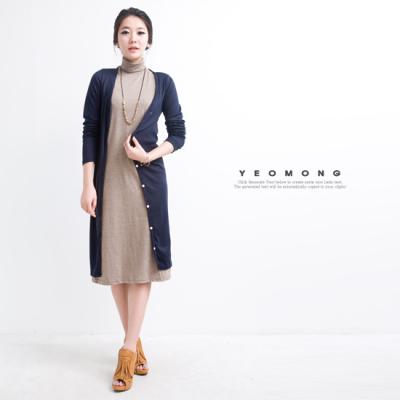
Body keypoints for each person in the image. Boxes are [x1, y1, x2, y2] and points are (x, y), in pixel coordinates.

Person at [80, 7, 186, 392]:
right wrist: (88, 185)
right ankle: (135, 340)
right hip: (109, 184)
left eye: (140, 32)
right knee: (116, 263)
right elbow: (91, 132)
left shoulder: (164, 83)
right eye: (125, 32)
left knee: (141, 266)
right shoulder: (101, 80)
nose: (133, 38)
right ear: (116, 39)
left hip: (147, 186)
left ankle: (126, 350)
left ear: (149, 39)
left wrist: (149, 155)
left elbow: (178, 133)